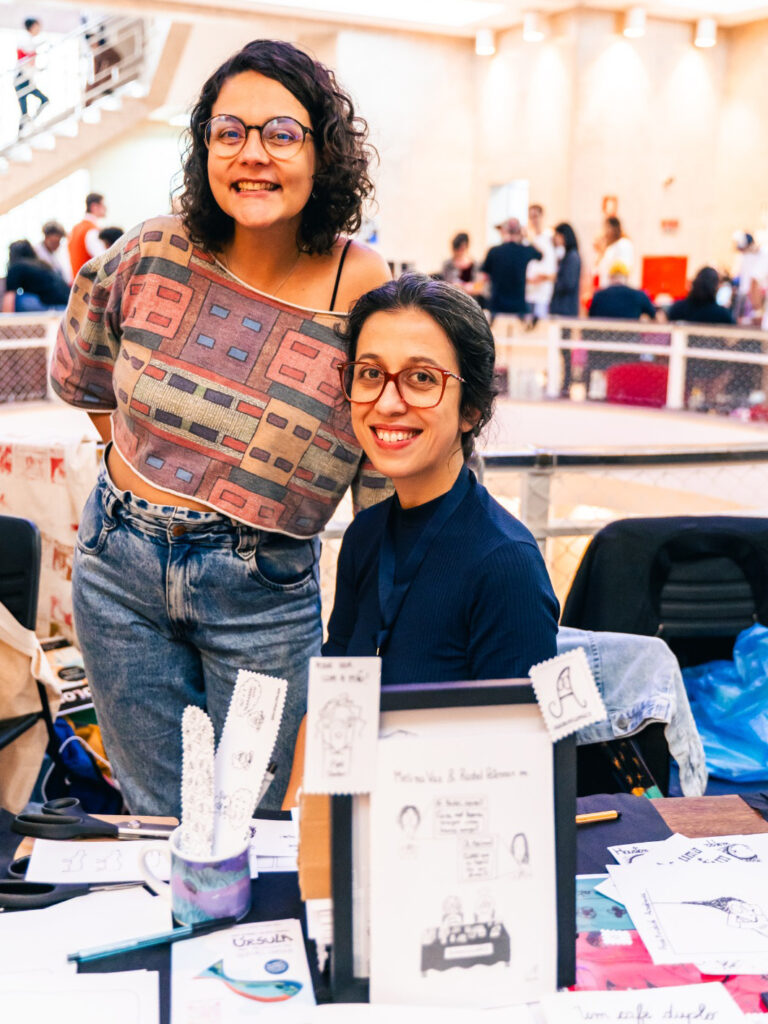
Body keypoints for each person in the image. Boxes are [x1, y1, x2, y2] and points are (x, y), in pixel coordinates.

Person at [50, 39, 391, 816]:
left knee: (255, 826)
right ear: (206, 147)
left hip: (262, 595)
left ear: (323, 152)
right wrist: (135, 464)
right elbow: (84, 372)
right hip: (118, 570)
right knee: (158, 821)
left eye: (281, 133)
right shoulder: (152, 249)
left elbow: (386, 455)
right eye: (229, 132)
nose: (253, 154)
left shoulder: (361, 285)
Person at [323, 273, 559, 684]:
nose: (388, 403)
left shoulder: (507, 564)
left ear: (471, 409)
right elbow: (329, 700)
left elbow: (523, 745)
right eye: (370, 374)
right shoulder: (364, 537)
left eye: (422, 378)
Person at [668, 267, 759, 409]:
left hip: (685, 366)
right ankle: (710, 404)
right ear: (716, 287)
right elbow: (733, 336)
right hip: (713, 367)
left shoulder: (678, 308)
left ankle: (689, 403)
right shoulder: (721, 314)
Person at [480, 218, 542, 322]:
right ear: (519, 231)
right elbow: (540, 254)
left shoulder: (494, 251)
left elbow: (484, 277)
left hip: (497, 307)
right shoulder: (525, 250)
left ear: (504, 231)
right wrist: (527, 237)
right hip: (519, 308)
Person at [549, 222, 581, 394]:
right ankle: (563, 381)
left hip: (565, 309)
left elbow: (568, 283)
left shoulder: (572, 257)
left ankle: (566, 382)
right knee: (562, 348)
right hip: (563, 308)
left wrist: (554, 281)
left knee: (564, 349)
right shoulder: (567, 257)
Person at [3, 239, 70, 312]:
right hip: (66, 306)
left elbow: (9, 297)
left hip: (50, 307)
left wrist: (6, 320)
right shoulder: (41, 264)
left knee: (18, 298)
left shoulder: (16, 266)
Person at [15, 17, 49, 133]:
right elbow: (26, 59)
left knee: (41, 102)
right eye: (37, 26)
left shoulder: (29, 40)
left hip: (26, 77)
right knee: (26, 109)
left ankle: (28, 125)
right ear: (32, 26)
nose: (39, 29)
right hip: (21, 78)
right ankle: (24, 130)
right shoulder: (26, 40)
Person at [525, 204, 556, 323]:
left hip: (543, 294)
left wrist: (544, 277)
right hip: (529, 292)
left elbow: (554, 268)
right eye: (531, 217)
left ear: (542, 216)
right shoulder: (528, 240)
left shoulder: (550, 237)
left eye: (536, 216)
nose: (534, 220)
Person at [68, 193, 107, 278]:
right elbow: (103, 260)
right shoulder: (91, 230)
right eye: (103, 205)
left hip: (77, 283)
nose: (106, 208)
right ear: (94, 207)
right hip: (89, 284)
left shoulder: (75, 229)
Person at [596, 216, 634, 287]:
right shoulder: (608, 248)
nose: (605, 231)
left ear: (614, 228)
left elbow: (624, 269)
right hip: (606, 289)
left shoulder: (624, 244)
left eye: (607, 227)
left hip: (617, 288)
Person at [34, 220, 72, 285]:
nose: (57, 245)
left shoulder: (54, 254)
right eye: (55, 242)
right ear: (46, 237)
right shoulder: (37, 253)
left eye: (58, 242)